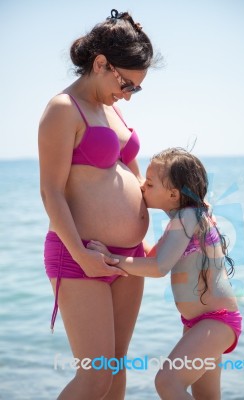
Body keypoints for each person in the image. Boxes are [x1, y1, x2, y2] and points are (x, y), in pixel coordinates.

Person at [38, 9, 158, 400]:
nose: (128, 95)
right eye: (126, 84)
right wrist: (82, 255)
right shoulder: (62, 109)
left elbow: (141, 184)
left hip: (129, 258)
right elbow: (51, 192)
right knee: (94, 378)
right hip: (81, 256)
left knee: (116, 367)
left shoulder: (112, 109)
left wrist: (187, 209)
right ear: (100, 63)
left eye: (136, 89)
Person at [88, 148, 242, 400]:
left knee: (167, 382)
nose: (141, 188)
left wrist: (111, 259)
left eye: (149, 184)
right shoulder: (186, 218)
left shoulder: (187, 216)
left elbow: (159, 267)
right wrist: (125, 245)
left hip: (216, 321)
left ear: (173, 194)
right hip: (200, 324)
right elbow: (153, 258)